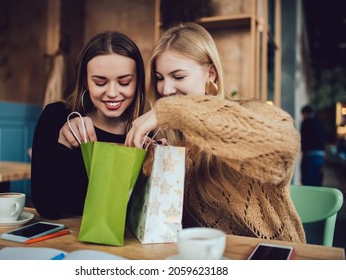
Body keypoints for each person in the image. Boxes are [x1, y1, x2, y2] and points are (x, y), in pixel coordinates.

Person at [125, 22, 305, 243]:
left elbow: (283, 150)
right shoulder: (172, 140)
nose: (165, 89)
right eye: (160, 78)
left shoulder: (250, 112)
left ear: (210, 73)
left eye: (178, 76)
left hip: (272, 257)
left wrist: (174, 111)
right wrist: (152, 162)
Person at [31, 31, 145, 219]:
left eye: (124, 82)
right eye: (100, 82)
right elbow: (47, 207)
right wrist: (64, 144)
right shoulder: (56, 116)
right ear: (85, 81)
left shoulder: (147, 131)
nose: (112, 93)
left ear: (137, 81)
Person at [300, 105, 326, 186]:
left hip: (309, 155)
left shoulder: (306, 122)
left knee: (307, 180)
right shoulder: (320, 121)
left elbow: (303, 138)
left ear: (305, 113)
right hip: (320, 155)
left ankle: (306, 197)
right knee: (316, 180)